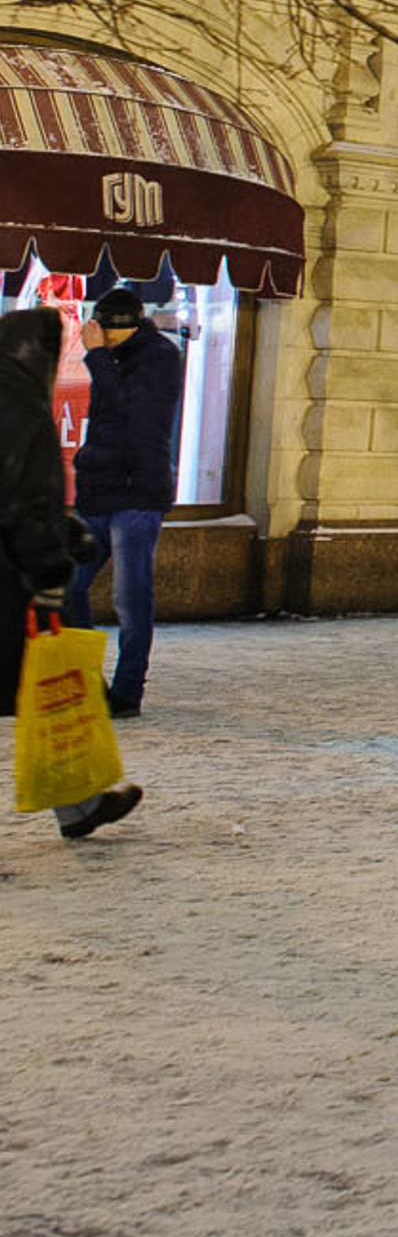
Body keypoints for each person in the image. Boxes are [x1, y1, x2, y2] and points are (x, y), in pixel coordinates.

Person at [0, 307, 143, 838]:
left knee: (47, 691)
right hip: (12, 578)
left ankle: (80, 805)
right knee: (48, 688)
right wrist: (50, 569)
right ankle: (80, 805)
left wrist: (64, 533)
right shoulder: (20, 408)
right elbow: (25, 503)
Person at [61, 287, 185, 718]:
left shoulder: (160, 356)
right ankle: (85, 680)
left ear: (128, 327)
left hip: (138, 492)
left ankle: (127, 691)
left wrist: (98, 356)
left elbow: (130, 410)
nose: (100, 338)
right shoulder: (112, 356)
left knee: (130, 598)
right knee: (67, 584)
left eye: (107, 333)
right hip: (100, 491)